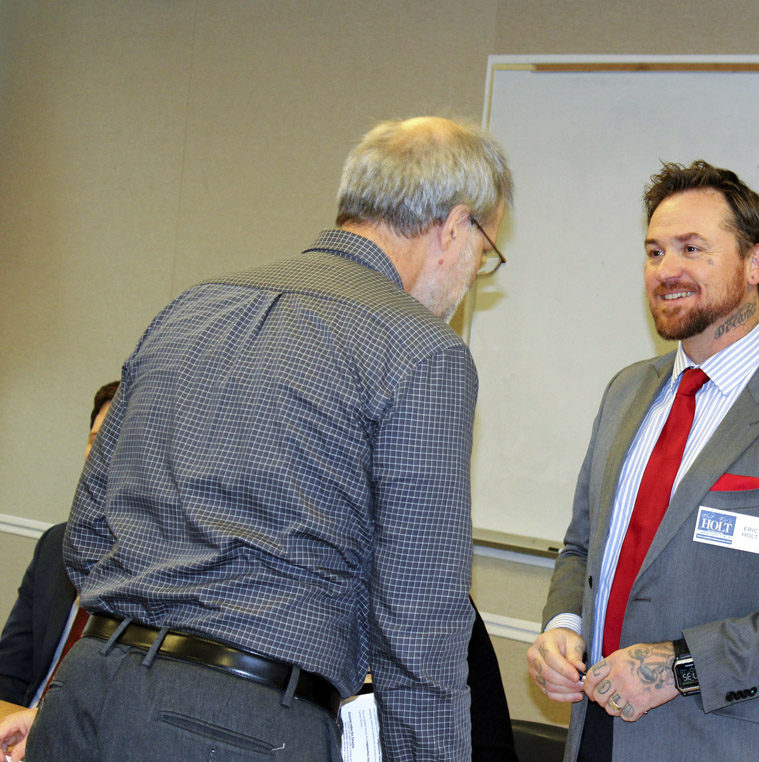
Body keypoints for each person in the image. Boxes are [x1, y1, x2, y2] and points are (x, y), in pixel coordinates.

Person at [27, 116, 513, 761]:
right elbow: (420, 625)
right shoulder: (422, 352)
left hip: (82, 697)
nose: (470, 280)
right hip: (239, 725)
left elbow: (88, 533)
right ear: (453, 227)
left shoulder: (193, 306)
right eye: (484, 256)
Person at [527, 160, 759, 761]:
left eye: (692, 248)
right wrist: (562, 626)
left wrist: (681, 665)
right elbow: (582, 547)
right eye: (653, 251)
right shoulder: (626, 392)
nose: (666, 270)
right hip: (596, 736)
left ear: (756, 264)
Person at [0, 382, 117, 761]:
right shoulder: (57, 543)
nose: (100, 455)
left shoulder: (164, 570)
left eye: (118, 441)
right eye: (95, 439)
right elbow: (9, 672)